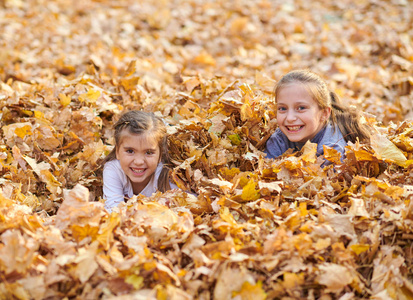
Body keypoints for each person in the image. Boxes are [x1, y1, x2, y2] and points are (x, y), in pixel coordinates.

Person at [264, 69, 371, 163]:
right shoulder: (279, 139)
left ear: (324, 113)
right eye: (283, 108)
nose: (290, 118)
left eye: (301, 108)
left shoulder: (332, 150)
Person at [102, 110, 178, 211]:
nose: (138, 161)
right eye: (130, 151)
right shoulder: (113, 170)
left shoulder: (165, 174)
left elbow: (187, 206)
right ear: (117, 152)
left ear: (160, 155)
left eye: (149, 152)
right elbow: (113, 212)